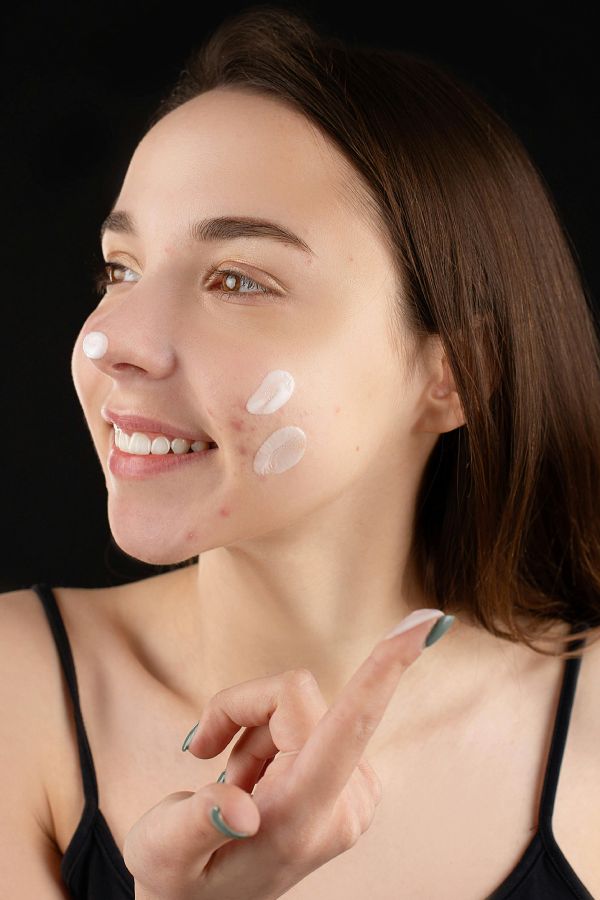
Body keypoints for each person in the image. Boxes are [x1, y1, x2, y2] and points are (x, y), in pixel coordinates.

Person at [2, 5, 600, 899]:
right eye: (119, 269)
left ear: (456, 375)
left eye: (237, 279)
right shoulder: (16, 693)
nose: (110, 339)